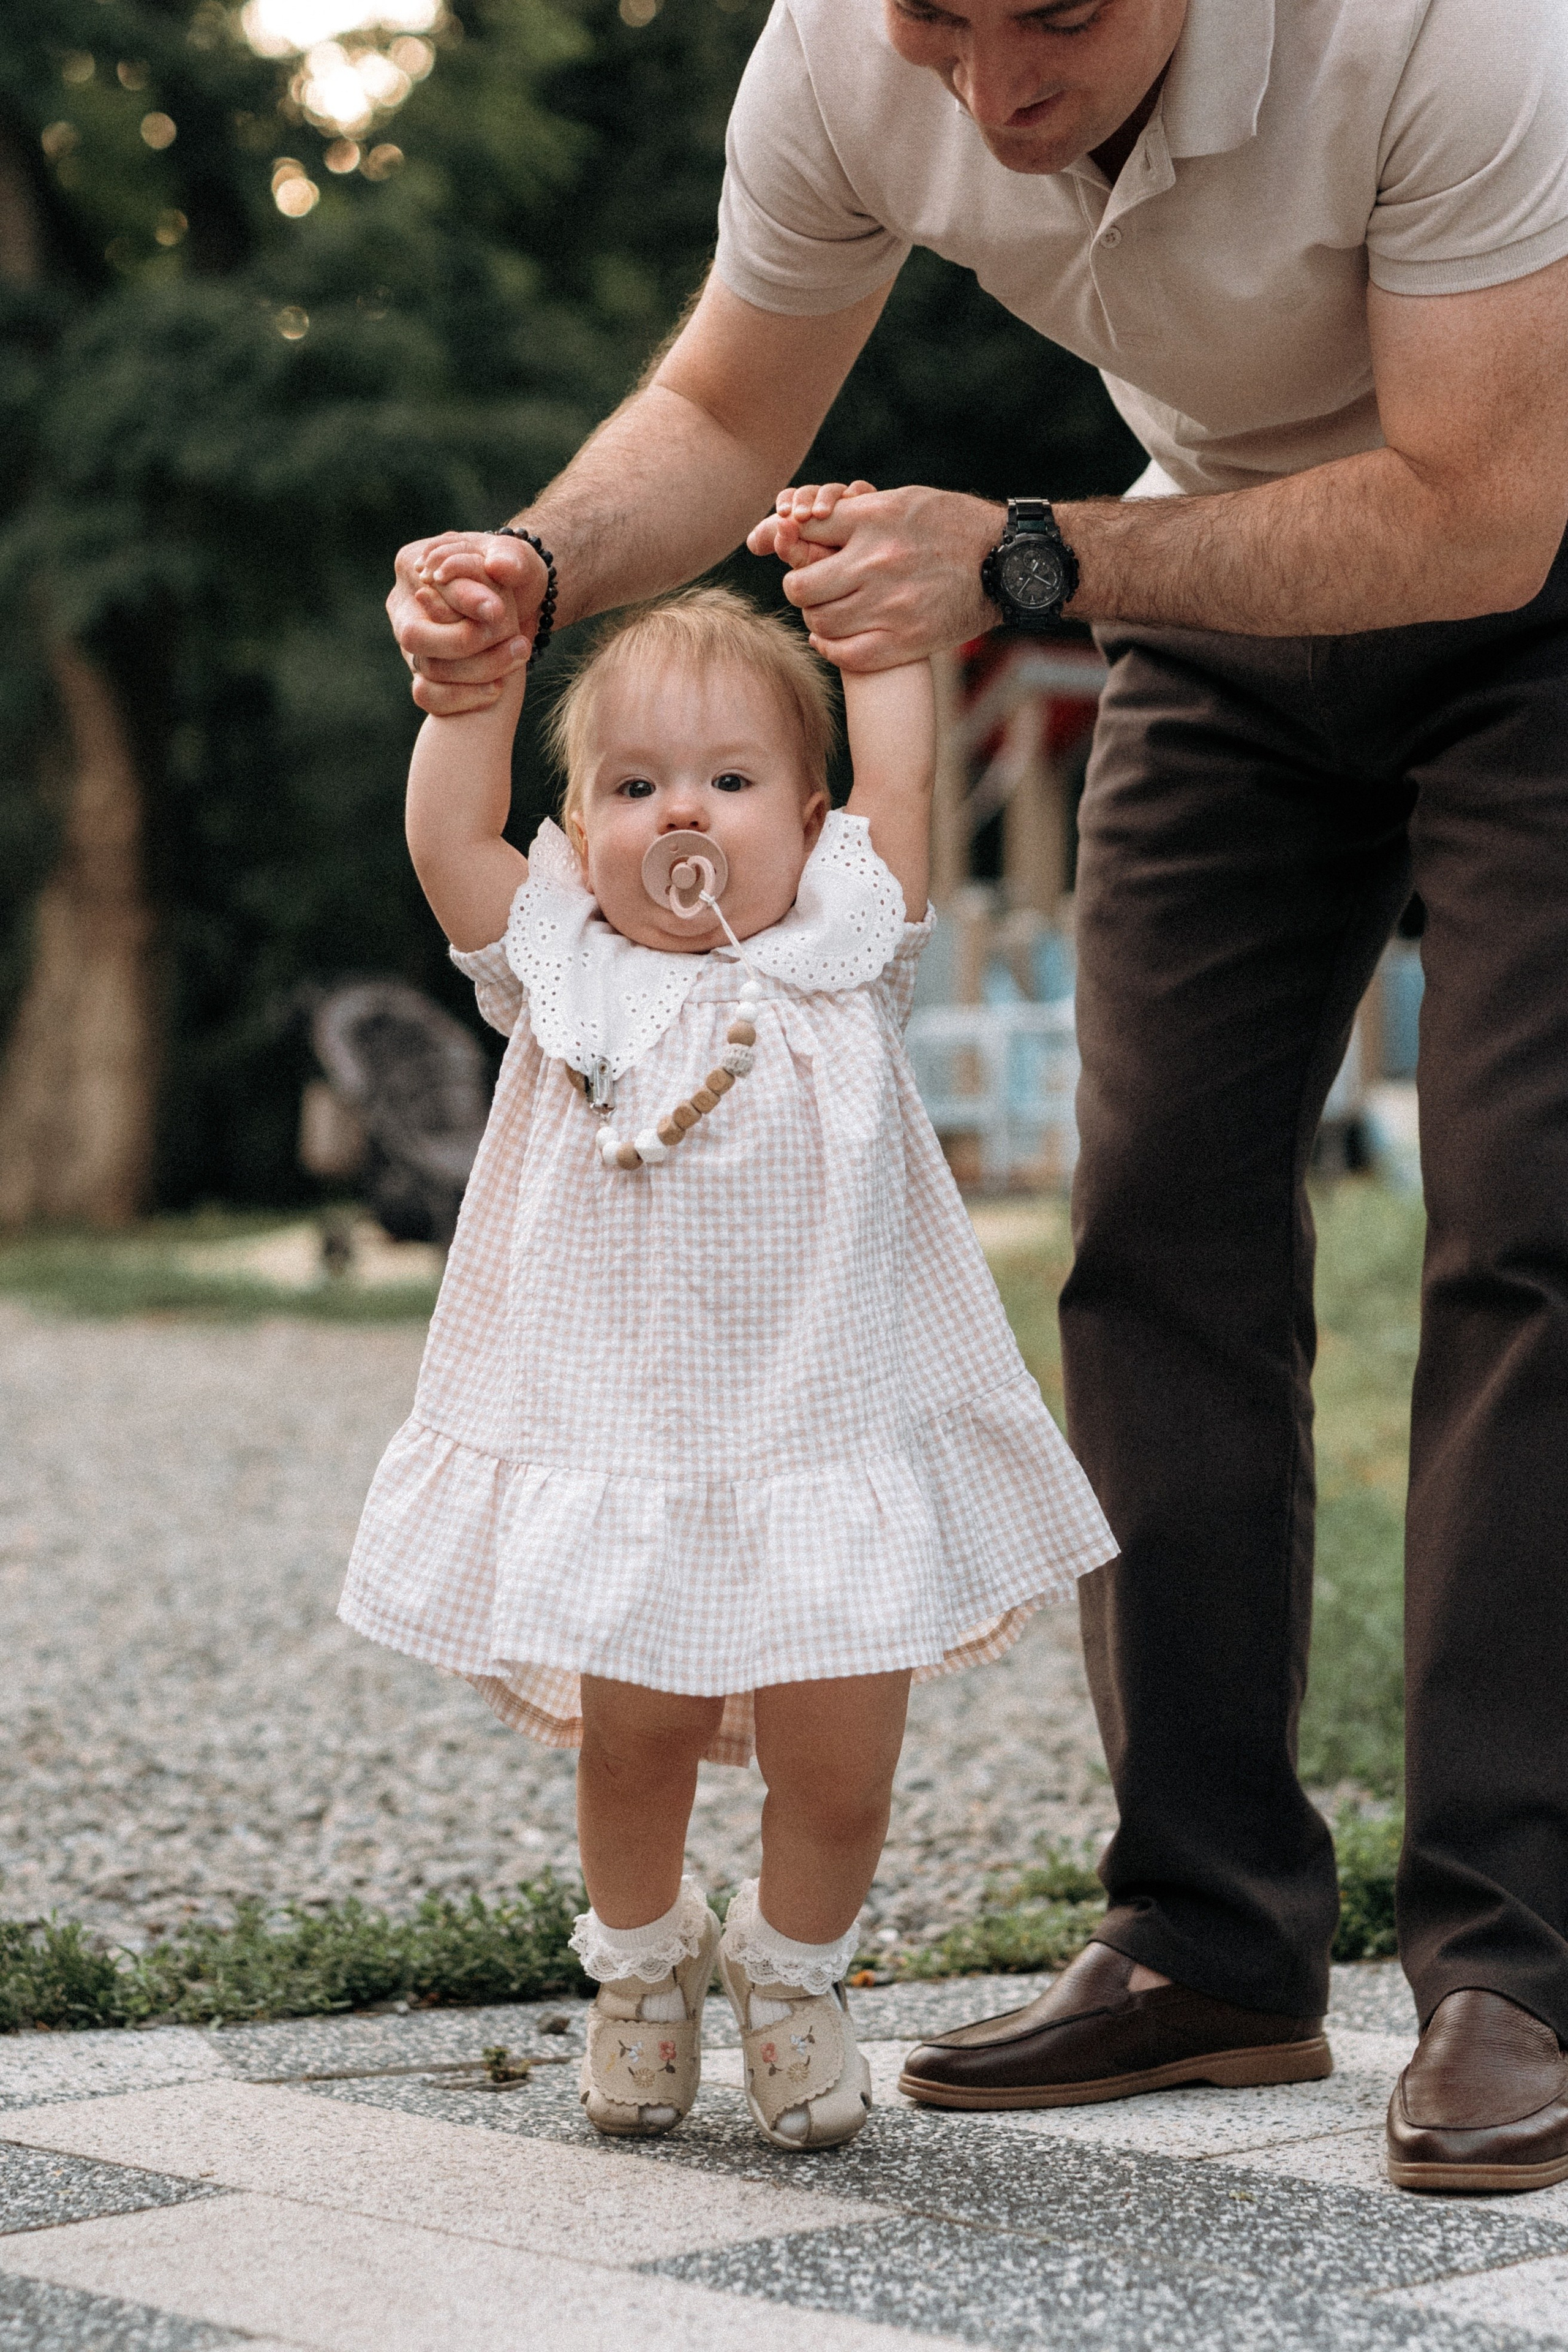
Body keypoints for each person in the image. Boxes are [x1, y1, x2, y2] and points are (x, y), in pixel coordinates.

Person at [388, 1, 1568, 2192]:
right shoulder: (841, 53)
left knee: (1528, 1236)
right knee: (1157, 1238)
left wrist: (1026, 558)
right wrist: (541, 568)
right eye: (942, 23)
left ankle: (1517, 1966)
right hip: (1220, 573)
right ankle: (1211, 1939)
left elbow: (1480, 512)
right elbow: (731, 406)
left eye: (1058, 18)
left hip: (1535, 567)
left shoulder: (1450, 35)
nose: (998, 94)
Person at [339, 576, 1115, 2150]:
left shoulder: (841, 947)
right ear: (574, 829)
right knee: (634, 1745)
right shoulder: (563, 969)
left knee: (840, 1760)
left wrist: (879, 642)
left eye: (729, 779)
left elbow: (901, 782)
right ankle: (639, 1969)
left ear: (811, 821)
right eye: (632, 786)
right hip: (636, 1453)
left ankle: (793, 1971)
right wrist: (468, 687)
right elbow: (445, 845)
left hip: (827, 1435)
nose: (679, 811)